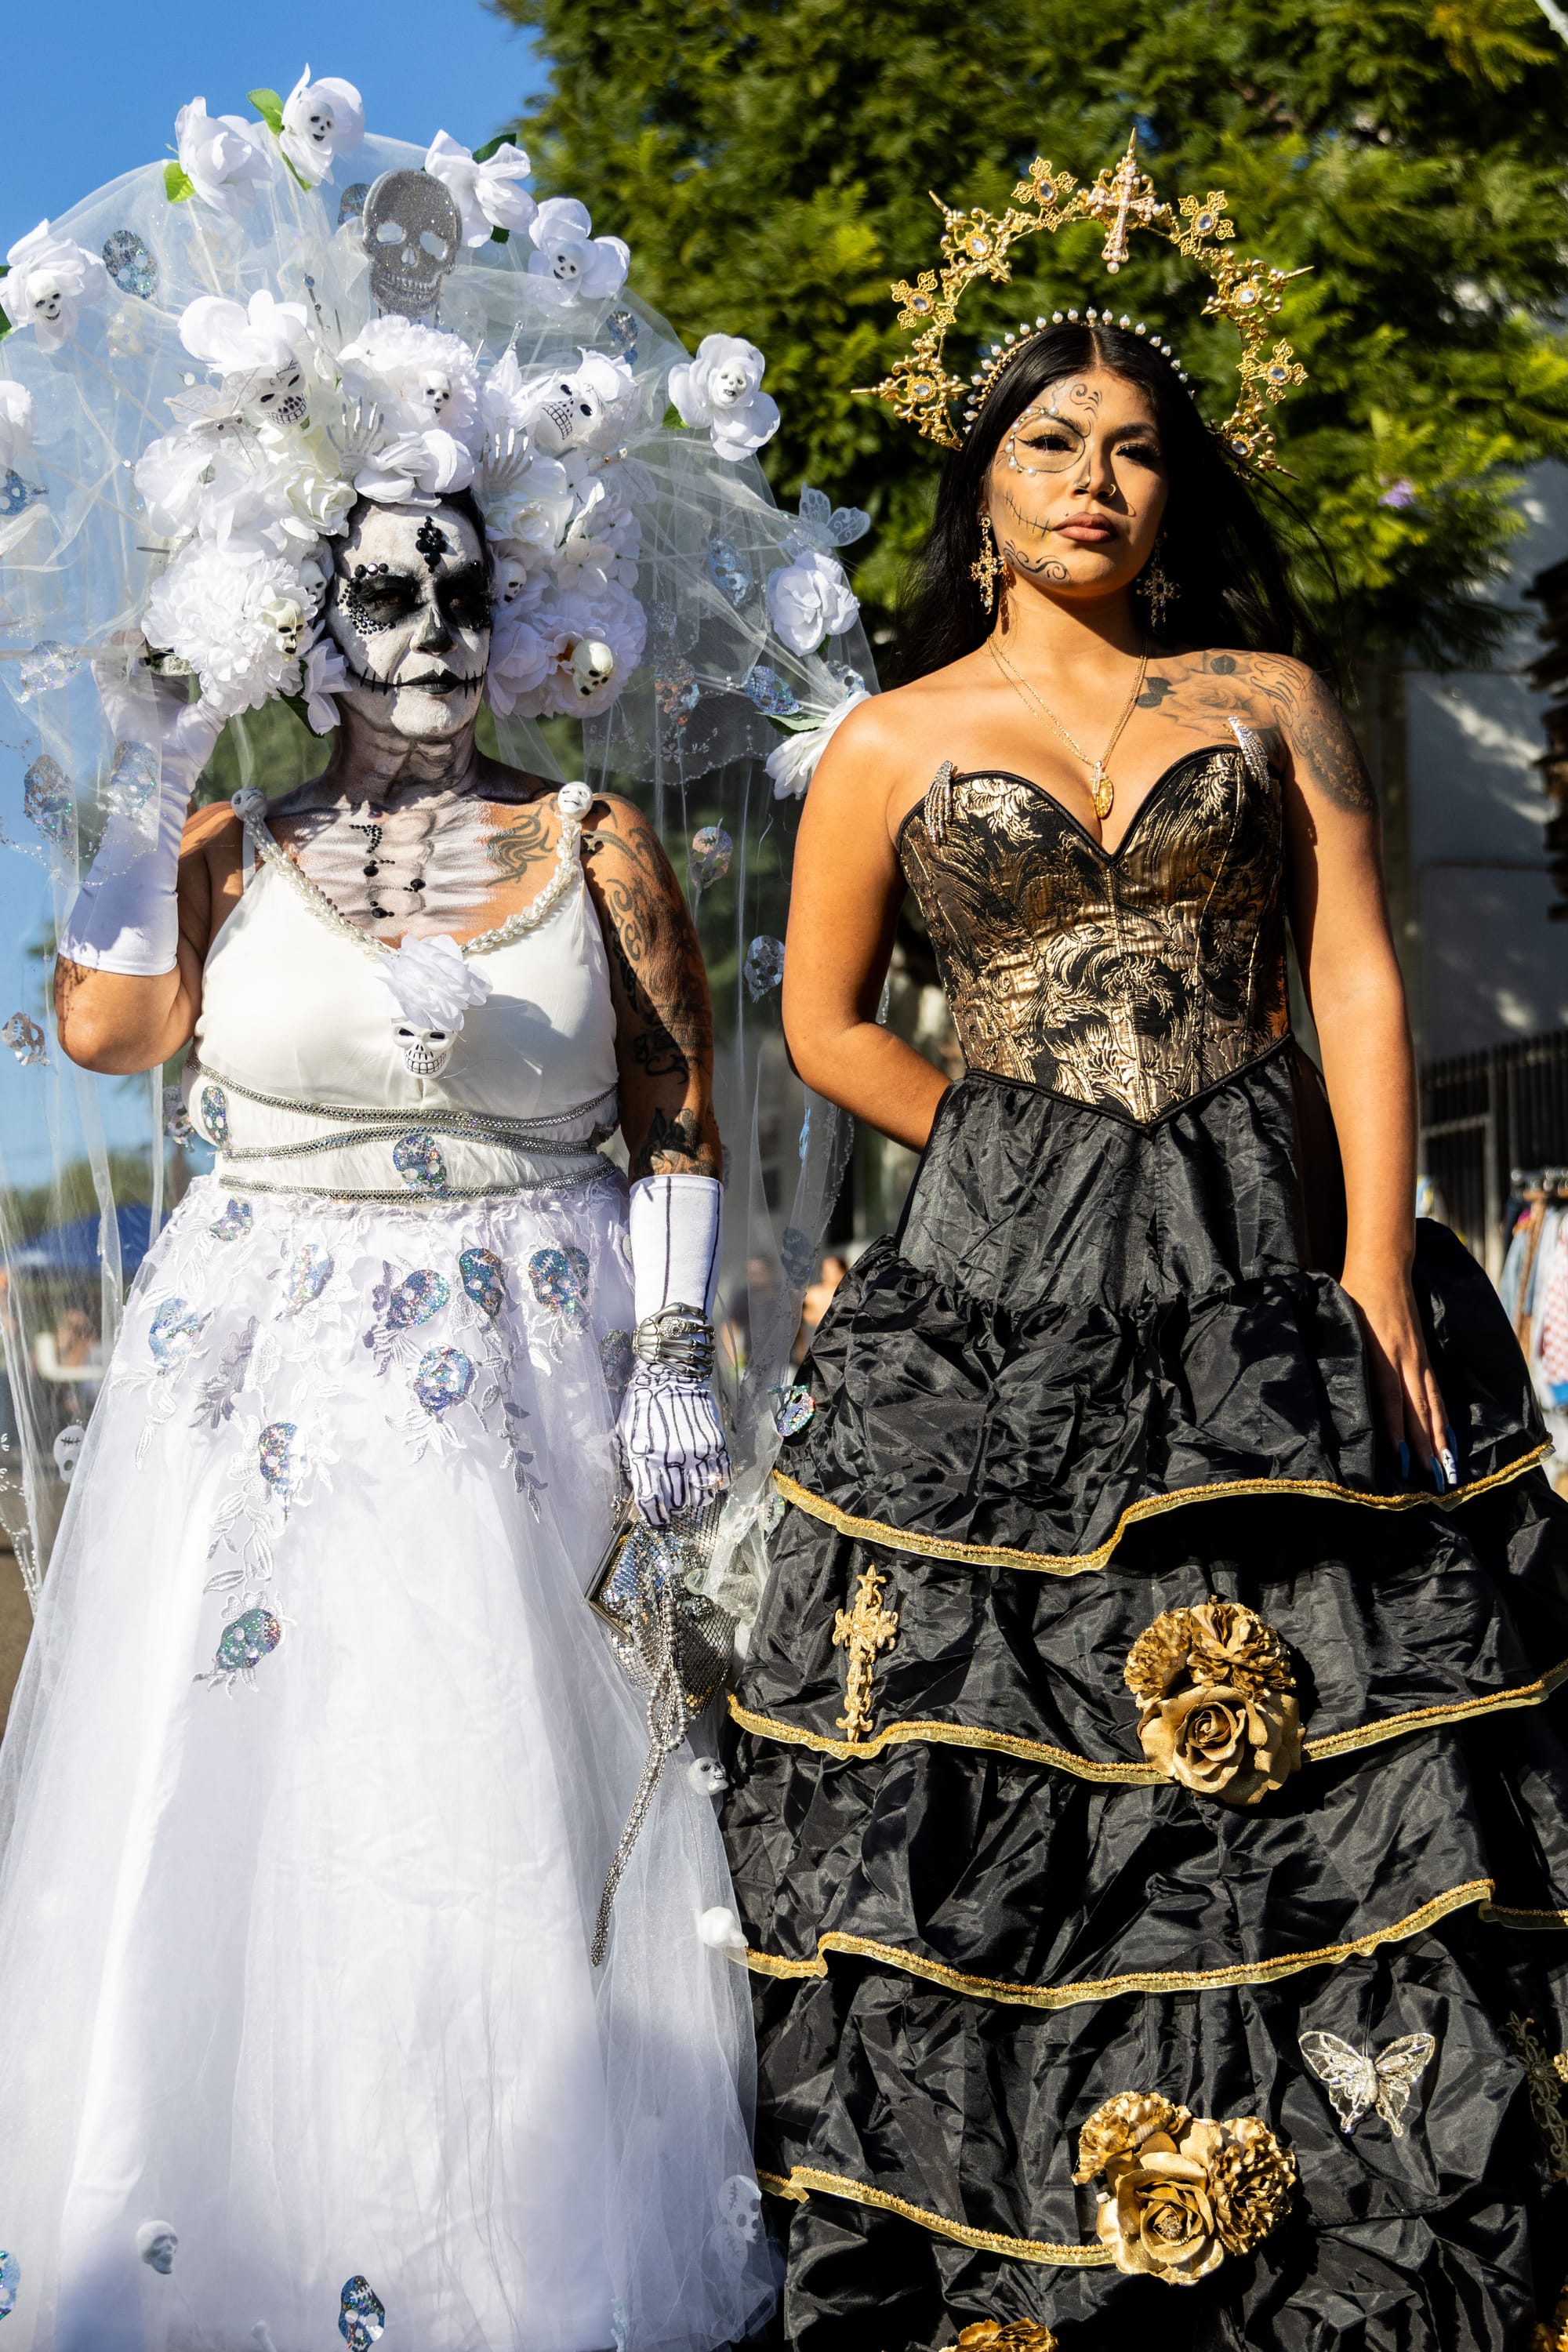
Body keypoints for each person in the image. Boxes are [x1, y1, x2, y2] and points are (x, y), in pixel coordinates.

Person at [0, 88, 877, 2352]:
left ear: (518, 610)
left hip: (535, 1384)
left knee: (494, 1828)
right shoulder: (218, 855)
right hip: (259, 1391)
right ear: (308, 617)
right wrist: (147, 763)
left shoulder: (594, 839)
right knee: (267, 1823)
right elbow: (106, 1041)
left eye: (457, 587)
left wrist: (681, 1356)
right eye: (376, 590)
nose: (422, 625)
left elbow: (681, 1104)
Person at [720, 141, 1568, 2350]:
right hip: (987, 1321)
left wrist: (1380, 1269)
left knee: (1340, 1760)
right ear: (981, 486)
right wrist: (1010, 1148)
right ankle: (1043, 2234)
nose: (1095, 481)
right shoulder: (887, 745)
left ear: (1172, 490)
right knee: (1005, 1764)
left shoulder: (1271, 702)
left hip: (1277, 1297)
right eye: (1048, 444)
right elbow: (823, 1025)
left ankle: (1334, 2239)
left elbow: (1361, 984)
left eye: (1133, 451)